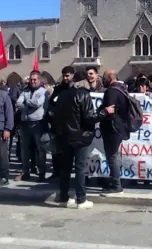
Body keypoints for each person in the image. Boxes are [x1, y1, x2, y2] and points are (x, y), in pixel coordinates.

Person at [51, 77, 97, 209]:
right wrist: (103, 113)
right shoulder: (84, 95)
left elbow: (55, 116)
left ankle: (63, 196)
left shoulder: (62, 95)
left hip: (64, 137)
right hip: (80, 136)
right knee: (80, 167)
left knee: (65, 168)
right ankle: (81, 199)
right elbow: (89, 118)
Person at [97, 69, 132, 195]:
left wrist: (101, 110)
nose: (102, 80)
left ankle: (116, 185)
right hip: (120, 127)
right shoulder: (123, 89)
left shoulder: (112, 91)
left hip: (112, 128)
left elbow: (109, 109)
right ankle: (114, 182)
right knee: (115, 156)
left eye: (104, 78)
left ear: (110, 78)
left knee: (112, 156)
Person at [15, 70, 48, 182]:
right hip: (25, 124)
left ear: (39, 80)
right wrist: (29, 104)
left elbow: (38, 103)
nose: (33, 82)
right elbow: (18, 103)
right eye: (31, 79)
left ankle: (42, 173)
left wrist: (26, 102)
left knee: (40, 150)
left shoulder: (43, 92)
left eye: (35, 79)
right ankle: (26, 172)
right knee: (24, 150)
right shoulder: (25, 91)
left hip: (38, 124)